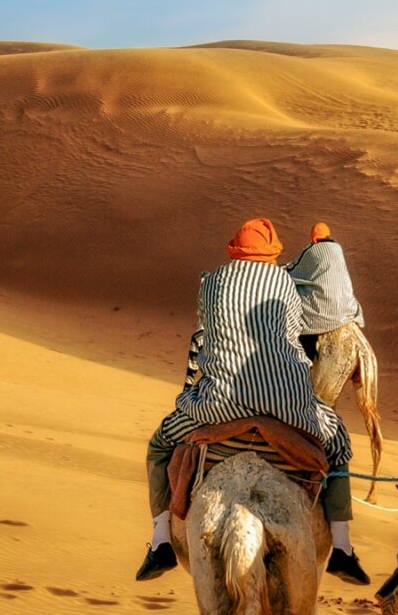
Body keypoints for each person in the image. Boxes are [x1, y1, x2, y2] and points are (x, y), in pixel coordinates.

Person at [137, 217, 369, 586]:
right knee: (339, 444)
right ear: (274, 254)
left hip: (218, 406)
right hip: (290, 409)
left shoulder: (211, 283)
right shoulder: (287, 287)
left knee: (161, 443)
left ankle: (161, 539)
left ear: (234, 251)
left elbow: (207, 332)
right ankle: (341, 547)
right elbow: (300, 327)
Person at [286, 221, 364, 359]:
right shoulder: (338, 249)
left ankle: (301, 360)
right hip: (346, 310)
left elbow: (294, 271)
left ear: (313, 239)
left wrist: (280, 269)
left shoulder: (312, 250)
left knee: (295, 316)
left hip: (321, 314)